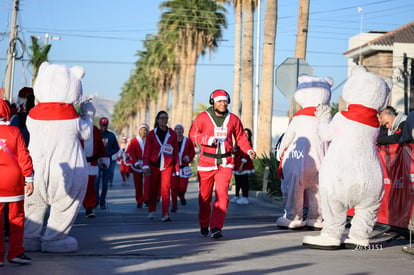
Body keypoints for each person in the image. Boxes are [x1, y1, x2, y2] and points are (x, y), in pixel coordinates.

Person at [189, 89, 256, 239]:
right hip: (206, 162)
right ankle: (204, 223)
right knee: (204, 197)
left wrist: (249, 150)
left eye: (225, 101)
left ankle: (216, 227)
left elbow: (241, 137)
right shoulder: (202, 118)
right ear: (213, 102)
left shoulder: (233, 119)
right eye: (219, 101)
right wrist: (207, 139)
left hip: (225, 162)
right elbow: (193, 134)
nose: (223, 103)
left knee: (222, 196)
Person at [0, 99, 34, 265]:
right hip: (14, 182)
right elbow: (23, 156)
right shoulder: (15, 131)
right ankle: (15, 253)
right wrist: (29, 178)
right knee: (17, 217)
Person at [142, 111, 179, 222]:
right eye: (162, 118)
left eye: (166, 118)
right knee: (153, 189)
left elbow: (175, 152)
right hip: (153, 166)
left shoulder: (172, 134)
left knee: (165, 190)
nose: (164, 120)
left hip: (167, 166)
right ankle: (151, 210)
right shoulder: (152, 134)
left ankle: (165, 213)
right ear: (157, 120)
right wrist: (145, 165)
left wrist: (176, 168)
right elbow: (147, 151)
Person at [82, 121, 109, 218]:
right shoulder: (74, 127)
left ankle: (89, 207)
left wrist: (103, 159)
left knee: (90, 186)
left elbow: (100, 145)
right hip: (76, 163)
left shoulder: (95, 130)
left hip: (91, 163)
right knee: (74, 186)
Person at [95, 117, 120, 209]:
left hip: (107, 161)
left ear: (107, 125)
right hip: (97, 160)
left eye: (105, 125)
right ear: (100, 125)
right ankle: (96, 200)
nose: (104, 127)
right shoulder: (96, 134)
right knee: (96, 182)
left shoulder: (111, 135)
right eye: (102, 125)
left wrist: (108, 153)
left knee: (105, 182)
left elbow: (116, 147)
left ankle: (102, 202)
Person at [170, 124, 196, 212]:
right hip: (173, 168)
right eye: (176, 129)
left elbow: (192, 152)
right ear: (174, 131)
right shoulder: (170, 141)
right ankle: (174, 205)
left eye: (180, 129)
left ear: (183, 130)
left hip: (184, 168)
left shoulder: (188, 141)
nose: (178, 130)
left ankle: (181, 196)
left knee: (182, 188)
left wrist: (188, 157)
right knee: (174, 188)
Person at [127, 123, 150, 208]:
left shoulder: (150, 140)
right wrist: (135, 162)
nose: (143, 132)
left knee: (148, 182)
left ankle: (147, 199)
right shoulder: (134, 141)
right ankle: (139, 200)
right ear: (139, 131)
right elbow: (131, 153)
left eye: (145, 130)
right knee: (138, 184)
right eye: (142, 130)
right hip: (137, 165)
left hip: (147, 165)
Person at [231, 128, 255, 205]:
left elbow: (245, 156)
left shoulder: (248, 143)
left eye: (247, 134)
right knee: (238, 181)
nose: (245, 135)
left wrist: (241, 166)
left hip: (243, 164)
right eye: (244, 134)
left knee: (244, 181)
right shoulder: (238, 143)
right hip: (237, 163)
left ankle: (245, 197)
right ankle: (237, 195)